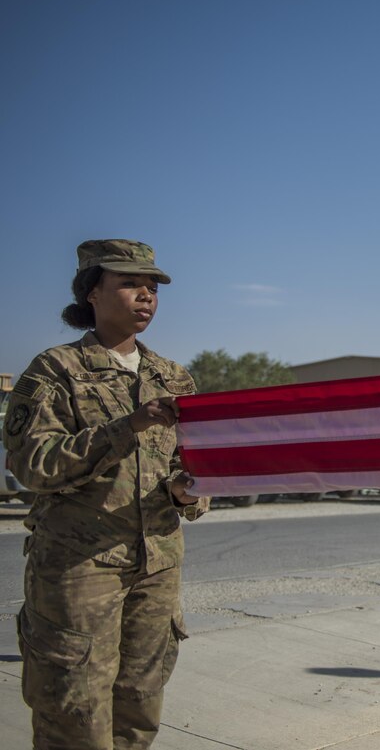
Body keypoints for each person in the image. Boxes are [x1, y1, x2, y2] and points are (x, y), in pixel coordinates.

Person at [3, 239, 207, 750]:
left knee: (139, 709)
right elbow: (34, 465)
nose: (146, 296)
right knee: (75, 716)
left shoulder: (172, 377)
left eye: (153, 287)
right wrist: (127, 426)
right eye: (130, 283)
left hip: (156, 566)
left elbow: (196, 468)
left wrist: (189, 494)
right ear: (92, 291)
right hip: (80, 569)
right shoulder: (55, 370)